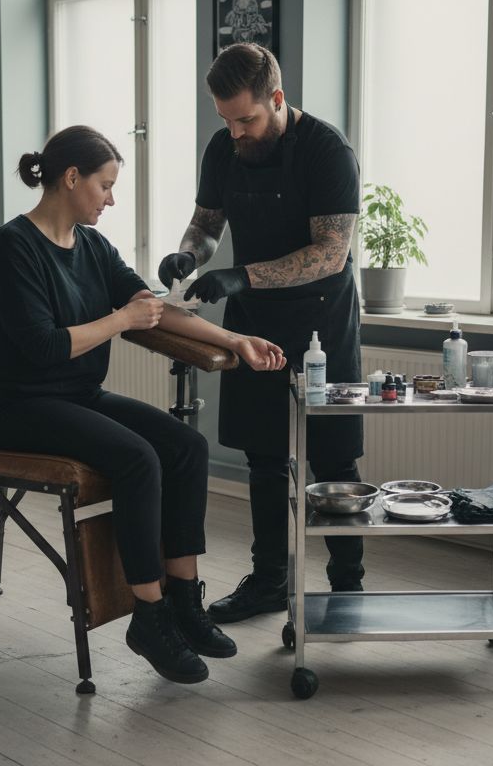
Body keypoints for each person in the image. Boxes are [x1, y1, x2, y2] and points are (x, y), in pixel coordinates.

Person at [0, 125, 287, 684]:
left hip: (75, 395)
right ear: (71, 178)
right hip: (14, 404)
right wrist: (120, 320)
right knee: (138, 458)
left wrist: (234, 341)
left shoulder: (91, 246)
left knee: (186, 446)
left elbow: (154, 307)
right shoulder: (12, 246)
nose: (111, 199)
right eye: (106, 185)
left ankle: (186, 604)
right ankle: (150, 616)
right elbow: (45, 346)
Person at [158, 43, 365, 623]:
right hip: (252, 324)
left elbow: (330, 253)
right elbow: (206, 223)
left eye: (245, 119)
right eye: (225, 120)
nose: (235, 132)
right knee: (265, 457)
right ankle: (270, 580)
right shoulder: (224, 146)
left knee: (335, 461)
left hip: (322, 321)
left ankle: (347, 585)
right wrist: (187, 255)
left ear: (277, 98)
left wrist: (242, 275)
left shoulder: (328, 152)